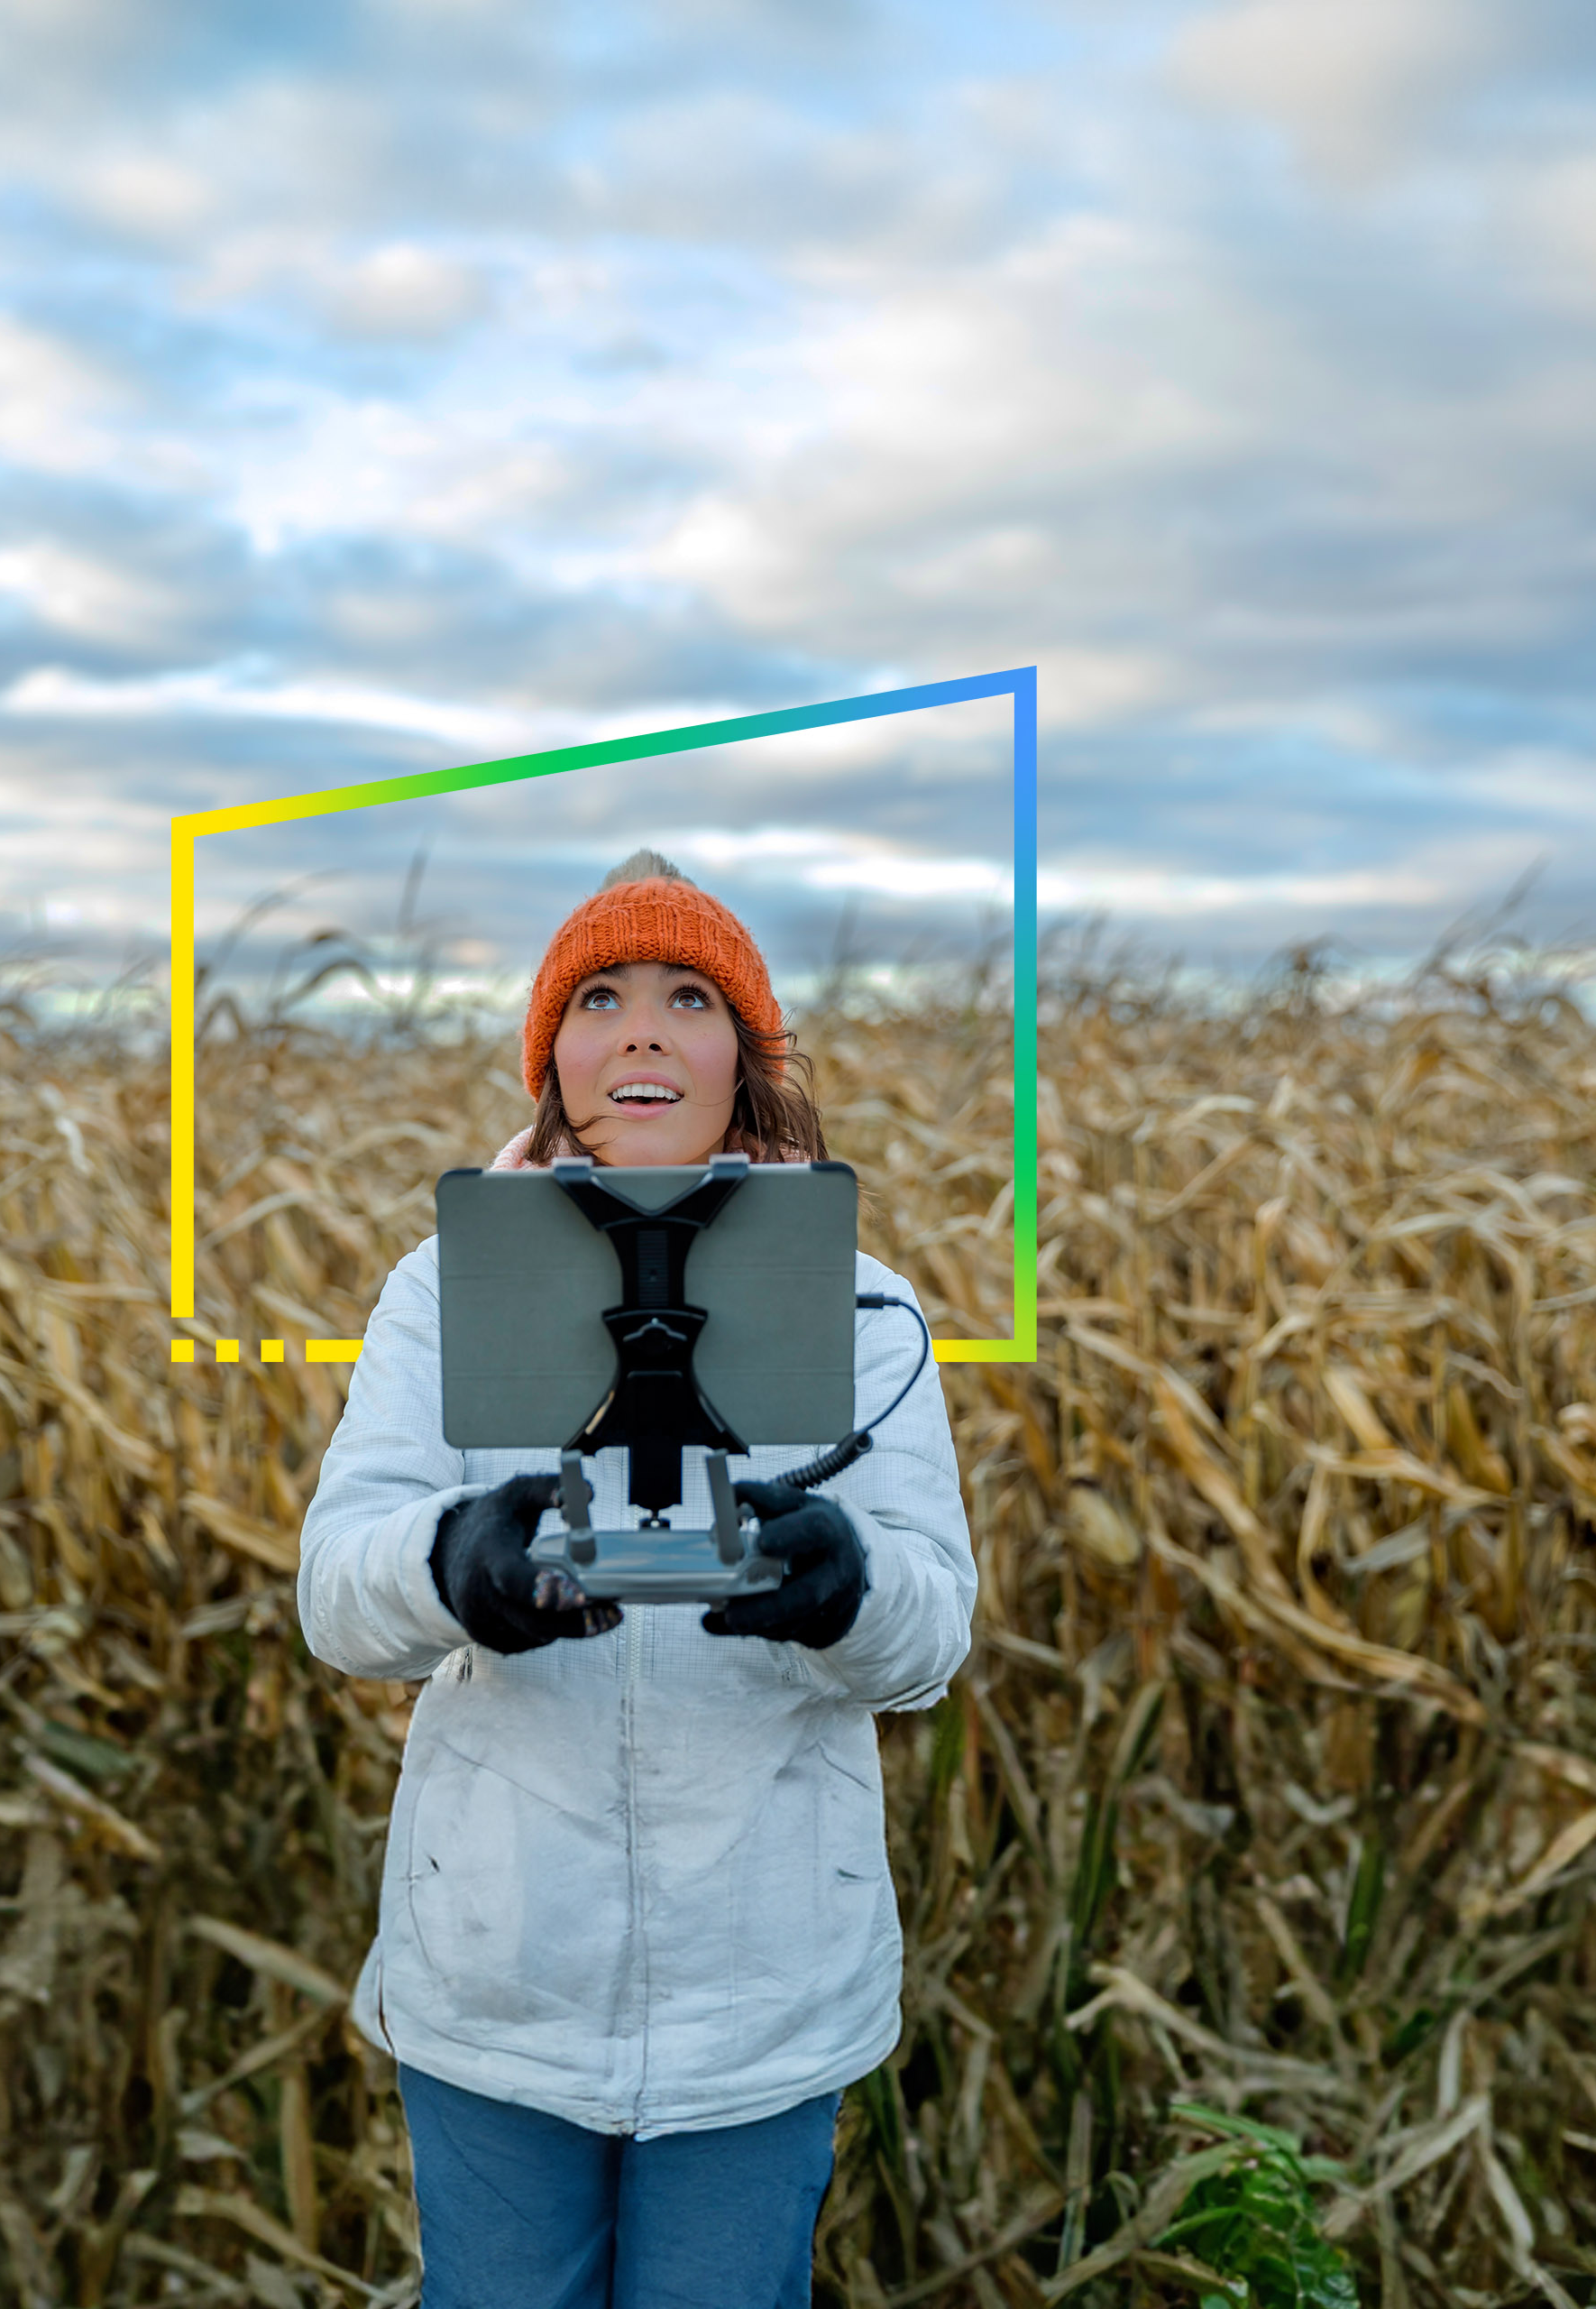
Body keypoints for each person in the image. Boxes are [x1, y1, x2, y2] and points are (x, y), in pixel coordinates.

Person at [298, 851, 977, 2309]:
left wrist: (848, 1590)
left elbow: (933, 1630)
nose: (645, 1032)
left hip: (765, 1998)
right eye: (600, 999)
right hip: (500, 1981)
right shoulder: (440, 1287)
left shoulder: (868, 1301)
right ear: (554, 1056)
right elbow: (338, 1596)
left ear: (747, 1058)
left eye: (691, 998)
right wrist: (454, 1562)